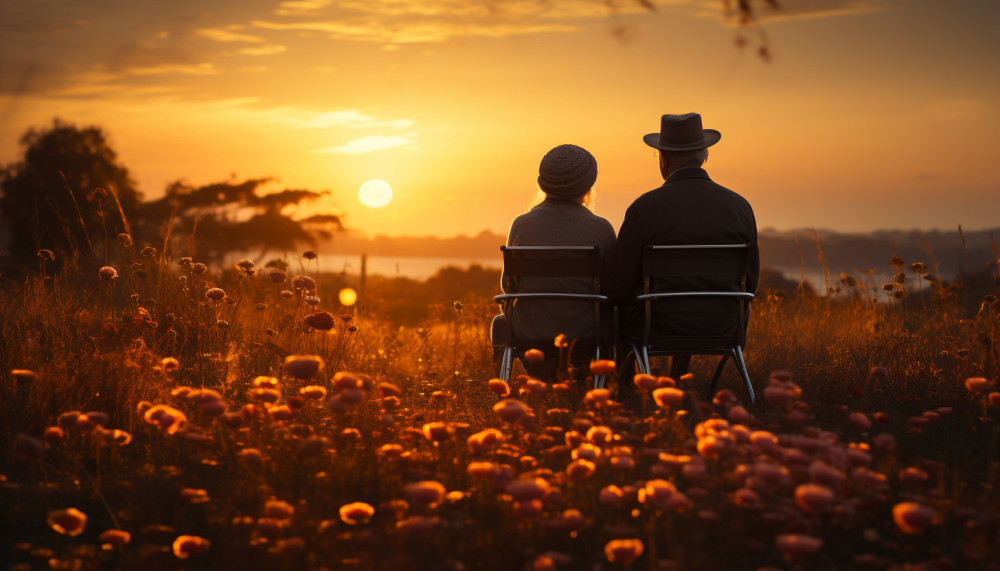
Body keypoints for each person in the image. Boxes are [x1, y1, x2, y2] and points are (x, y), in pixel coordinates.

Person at [608, 113, 759, 378]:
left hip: (655, 325)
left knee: (617, 307)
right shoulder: (740, 207)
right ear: (704, 155)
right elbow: (751, 282)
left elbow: (618, 288)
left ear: (663, 159)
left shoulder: (645, 208)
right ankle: (676, 379)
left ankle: (625, 387)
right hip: (723, 326)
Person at [492, 144, 617, 367]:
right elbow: (611, 288)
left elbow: (509, 286)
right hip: (586, 332)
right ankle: (602, 380)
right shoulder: (601, 229)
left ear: (543, 182)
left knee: (501, 322)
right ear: (588, 185)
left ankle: (542, 376)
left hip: (530, 331)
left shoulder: (521, 225)